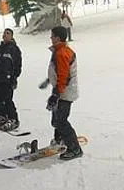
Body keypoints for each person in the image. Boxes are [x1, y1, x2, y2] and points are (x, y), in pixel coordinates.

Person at [40, 26, 82, 160]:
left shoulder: (62, 53)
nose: (50, 38)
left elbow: (64, 76)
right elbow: (59, 72)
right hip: (61, 89)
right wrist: (49, 80)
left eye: (52, 36)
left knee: (61, 121)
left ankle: (75, 149)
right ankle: (60, 140)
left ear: (58, 38)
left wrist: (56, 94)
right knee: (56, 119)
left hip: (65, 92)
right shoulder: (60, 51)